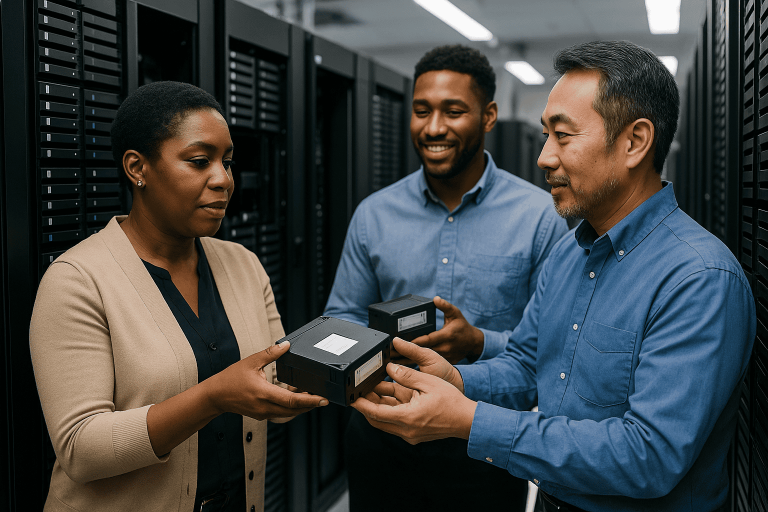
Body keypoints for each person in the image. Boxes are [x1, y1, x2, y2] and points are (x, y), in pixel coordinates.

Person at [352, 40, 756, 512]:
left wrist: (469, 420)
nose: (543, 157)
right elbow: (526, 366)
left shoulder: (698, 278)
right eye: (547, 136)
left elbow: (649, 456)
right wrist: (457, 382)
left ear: (635, 142)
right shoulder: (570, 253)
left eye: (563, 136)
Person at [29, 81, 327, 512]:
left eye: (227, 162)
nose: (223, 179)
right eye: (200, 161)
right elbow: (80, 447)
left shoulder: (242, 263)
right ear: (138, 168)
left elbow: (275, 382)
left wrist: (341, 377)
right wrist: (212, 397)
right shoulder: (77, 281)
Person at [324, 45, 568, 511]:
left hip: (482, 442)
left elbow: (551, 351)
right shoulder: (375, 214)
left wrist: (478, 342)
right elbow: (341, 318)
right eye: (422, 111)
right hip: (382, 434)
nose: (434, 127)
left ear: (489, 116)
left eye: (453, 111)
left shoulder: (540, 218)